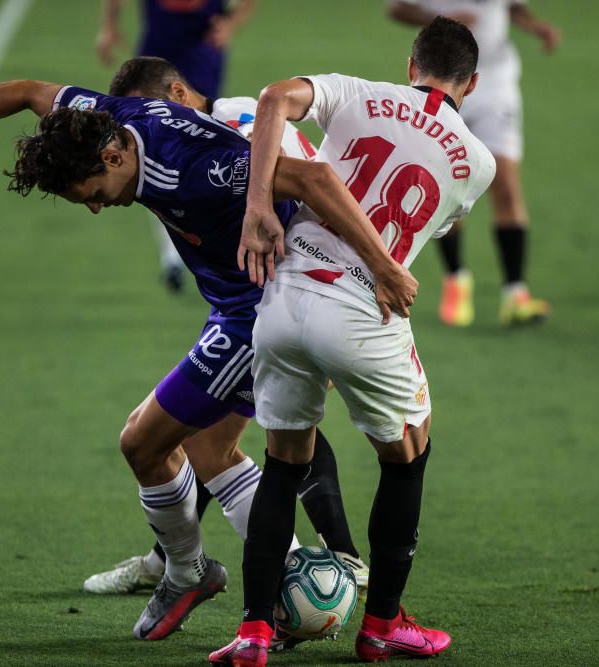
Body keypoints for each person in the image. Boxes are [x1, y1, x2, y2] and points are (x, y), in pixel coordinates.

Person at [0, 79, 417, 641]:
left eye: (93, 192)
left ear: (113, 155)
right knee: (208, 448)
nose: (98, 208)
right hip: (234, 300)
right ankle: (273, 580)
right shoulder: (106, 116)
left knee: (143, 442)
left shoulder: (195, 169)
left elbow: (315, 178)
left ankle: (195, 574)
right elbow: (30, 92)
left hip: (262, 309)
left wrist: (384, 267)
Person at [210, 17, 495, 665]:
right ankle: (383, 624)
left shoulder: (358, 91)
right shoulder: (475, 163)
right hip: (363, 312)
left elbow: (274, 98)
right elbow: (423, 227)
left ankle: (255, 630)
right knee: (408, 454)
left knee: (284, 461)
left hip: (282, 298)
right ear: (470, 83)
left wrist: (259, 204)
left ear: (410, 62)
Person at [83, 56, 365, 604]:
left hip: (294, 291)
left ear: (179, 93)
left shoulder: (229, 128)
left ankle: (338, 562)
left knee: (256, 425)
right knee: (212, 435)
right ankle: (173, 560)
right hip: (280, 288)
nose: (148, 129)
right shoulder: (192, 139)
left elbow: (305, 182)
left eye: (153, 112)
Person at [387, 0, 559, 327]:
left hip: (495, 85)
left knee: (506, 183)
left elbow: (512, 7)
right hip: (444, 81)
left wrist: (534, 25)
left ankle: (515, 293)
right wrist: (437, 17)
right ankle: (456, 279)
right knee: (447, 181)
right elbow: (396, 9)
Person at [97, 0, 258, 293]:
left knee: (202, 146)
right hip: (156, 57)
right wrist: (109, 25)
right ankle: (173, 254)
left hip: (201, 54)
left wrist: (231, 23)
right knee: (149, 152)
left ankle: (206, 245)